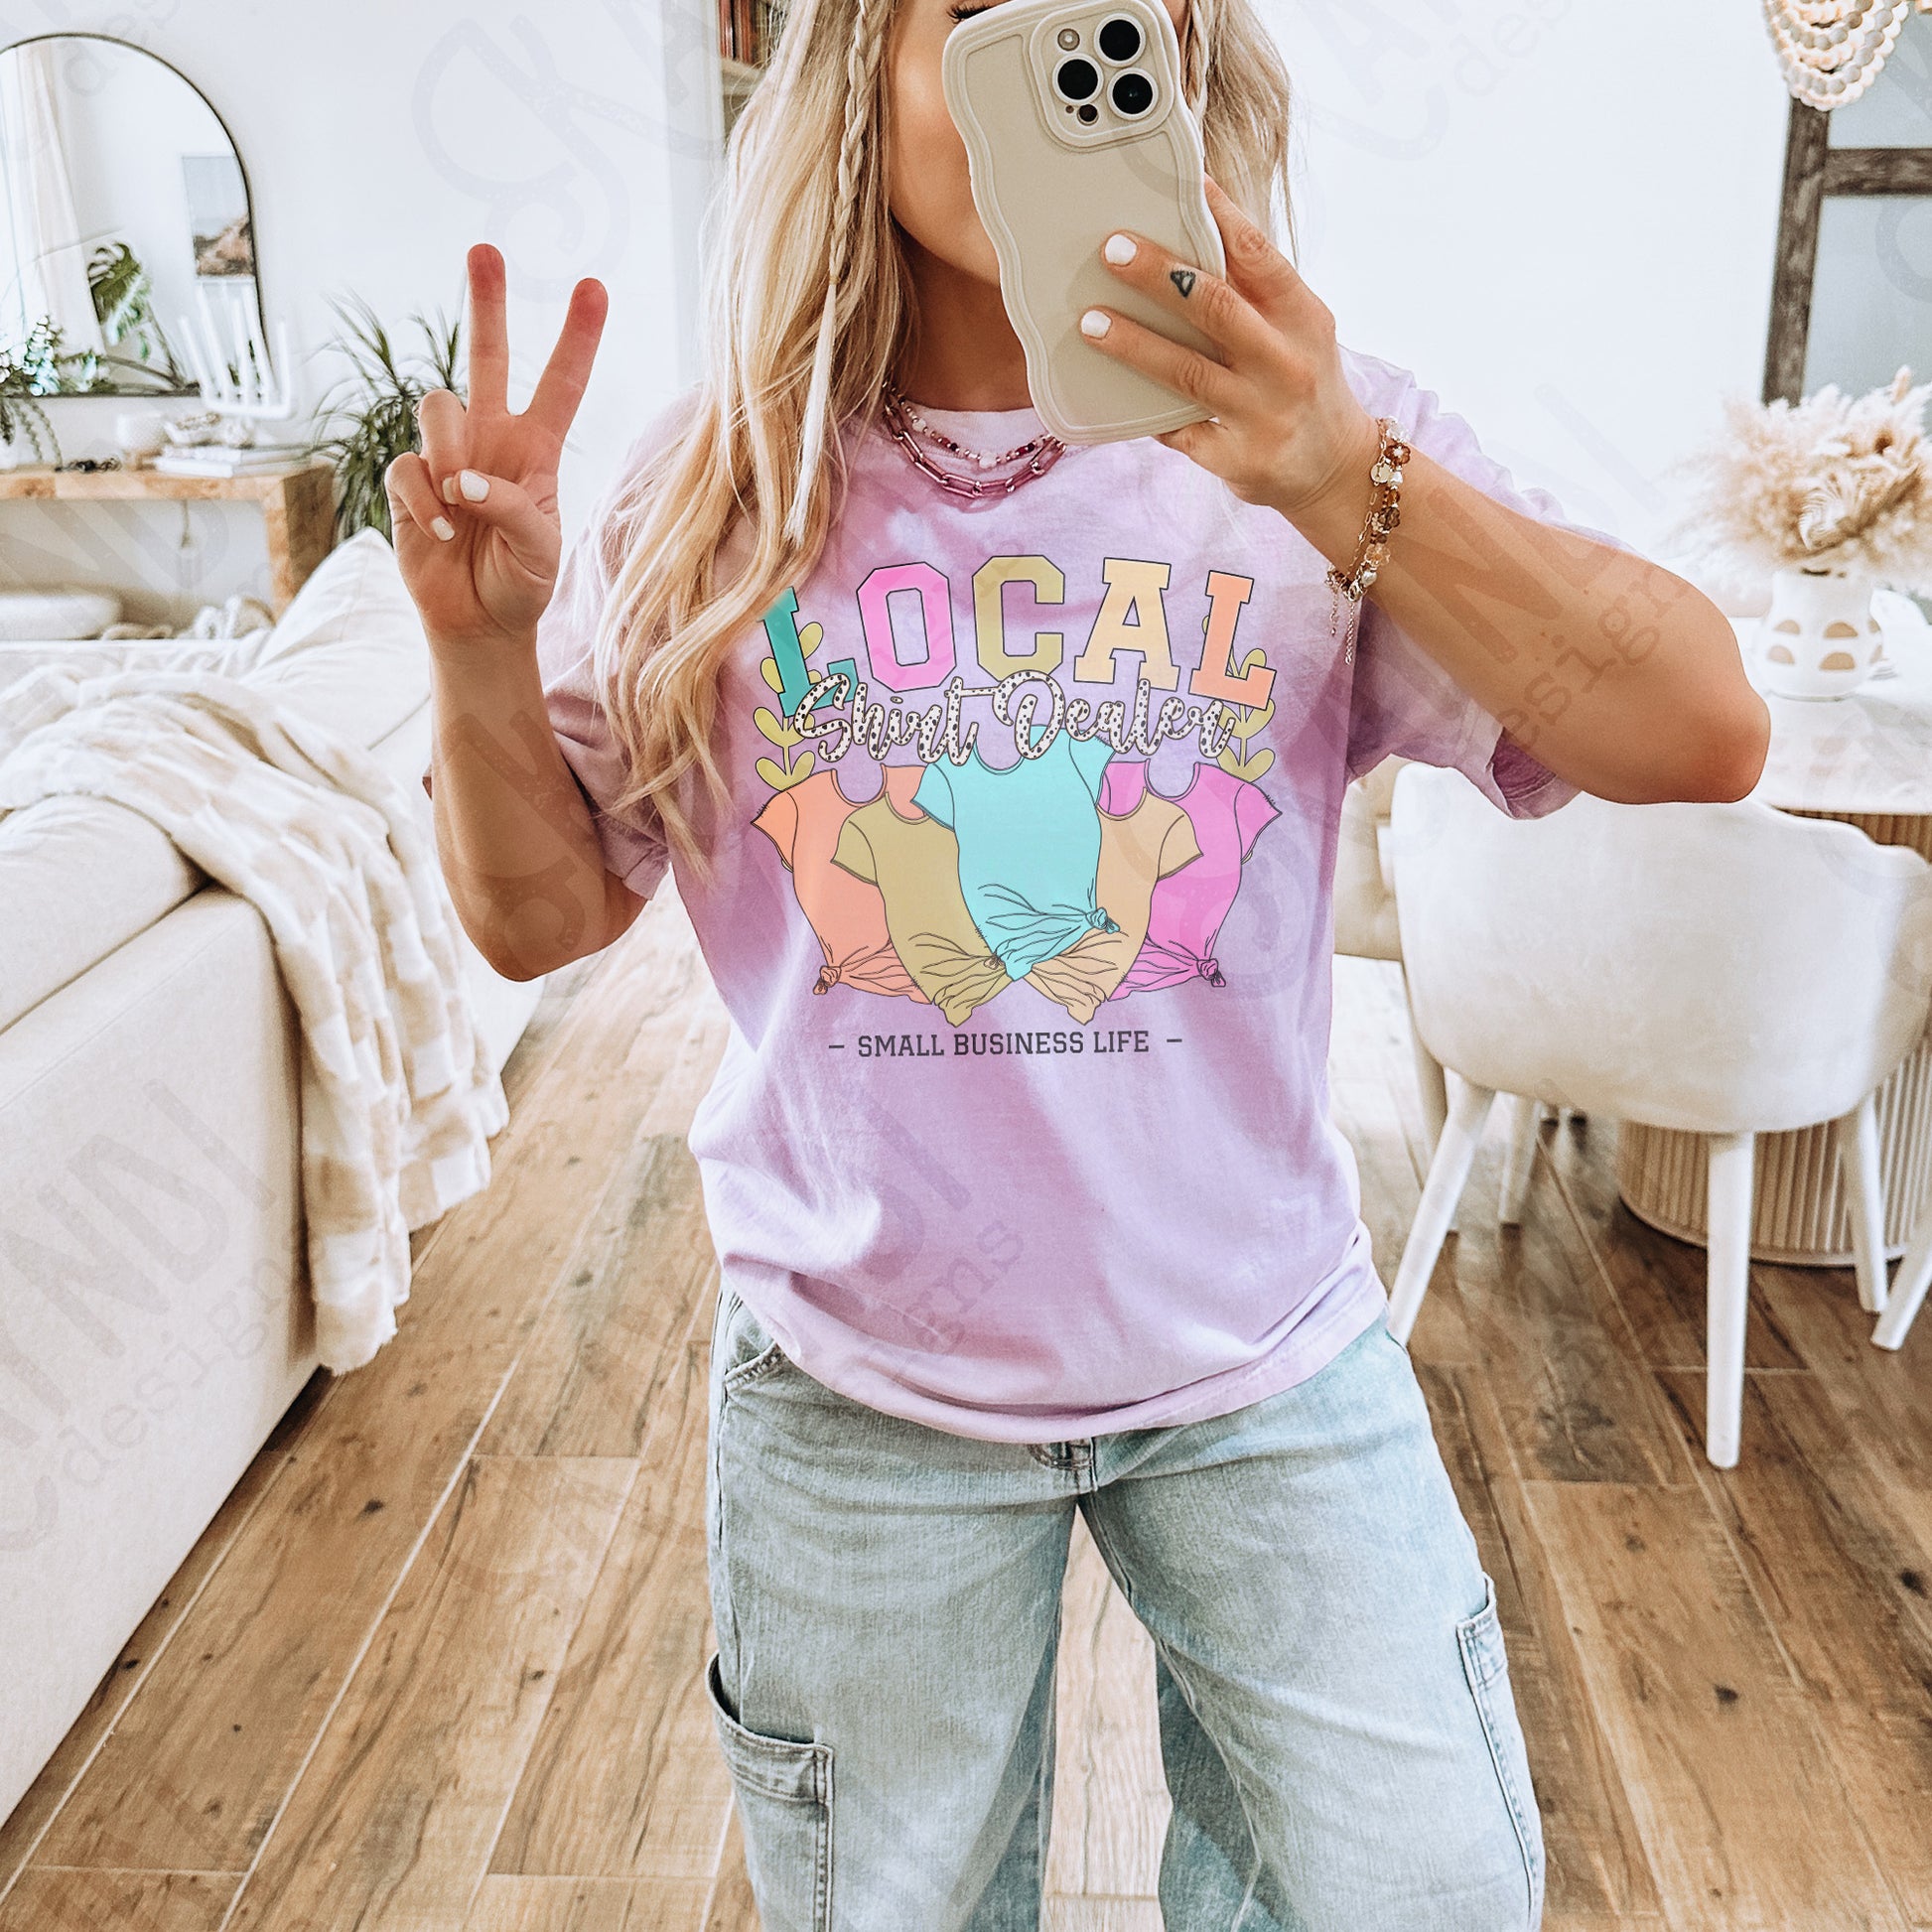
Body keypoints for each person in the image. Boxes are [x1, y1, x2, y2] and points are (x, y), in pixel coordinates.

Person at [387, 0, 1769, 1922]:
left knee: (1426, 1886)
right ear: (856, 73)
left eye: (1124, 13)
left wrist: (1339, 473)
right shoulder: (710, 486)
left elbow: (1702, 728)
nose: (1061, 51)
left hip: (1257, 1348)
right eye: (984, 17)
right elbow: (540, 916)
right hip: (862, 1376)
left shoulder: (1318, 452)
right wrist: (476, 655)